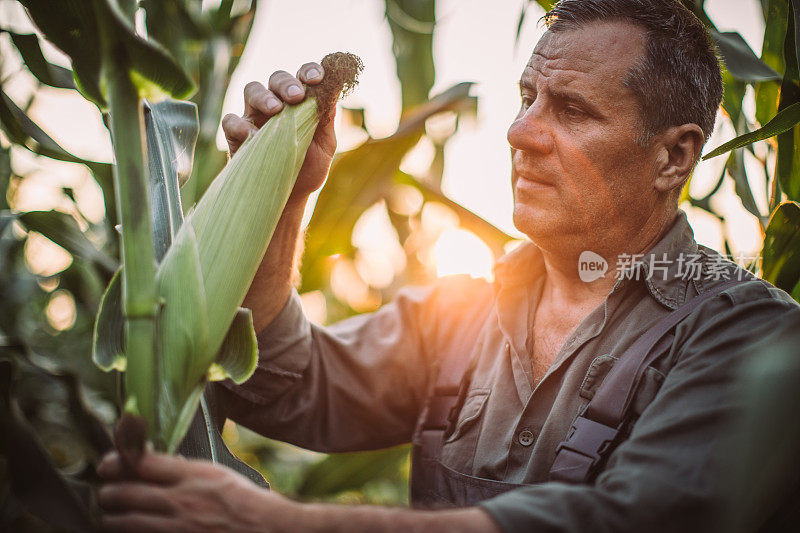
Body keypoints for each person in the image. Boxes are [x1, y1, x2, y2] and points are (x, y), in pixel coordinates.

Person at [97, 0, 800, 531]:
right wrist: (284, 192)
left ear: (674, 156)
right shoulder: (461, 312)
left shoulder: (748, 336)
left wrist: (276, 521)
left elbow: (623, 519)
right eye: (528, 97)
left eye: (573, 109)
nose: (521, 132)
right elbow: (290, 385)